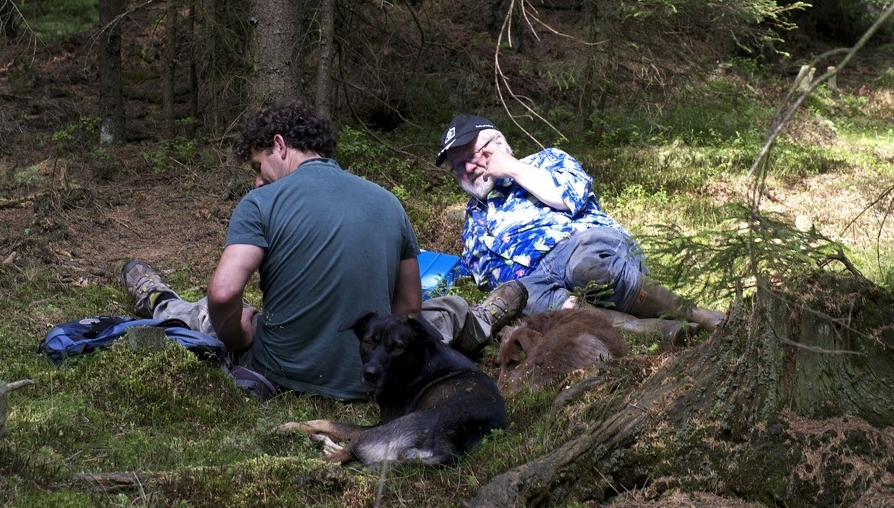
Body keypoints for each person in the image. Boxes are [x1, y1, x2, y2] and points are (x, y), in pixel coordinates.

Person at [122, 100, 528, 401]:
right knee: (444, 313)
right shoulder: (389, 202)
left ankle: (156, 297)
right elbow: (408, 309)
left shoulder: (260, 203)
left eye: (258, 167)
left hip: (280, 371)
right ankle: (484, 318)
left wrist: (238, 335)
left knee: (203, 315)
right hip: (374, 370)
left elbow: (224, 292)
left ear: (280, 145)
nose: (258, 181)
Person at [435, 114, 725, 334]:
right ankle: (657, 330)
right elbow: (484, 275)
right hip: (537, 281)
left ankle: (700, 315)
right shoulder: (473, 219)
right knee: (536, 305)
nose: (468, 168)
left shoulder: (546, 160)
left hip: (582, 244)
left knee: (585, 267)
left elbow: (566, 197)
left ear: (498, 143)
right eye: (458, 165)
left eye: (473, 155)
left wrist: (510, 167)